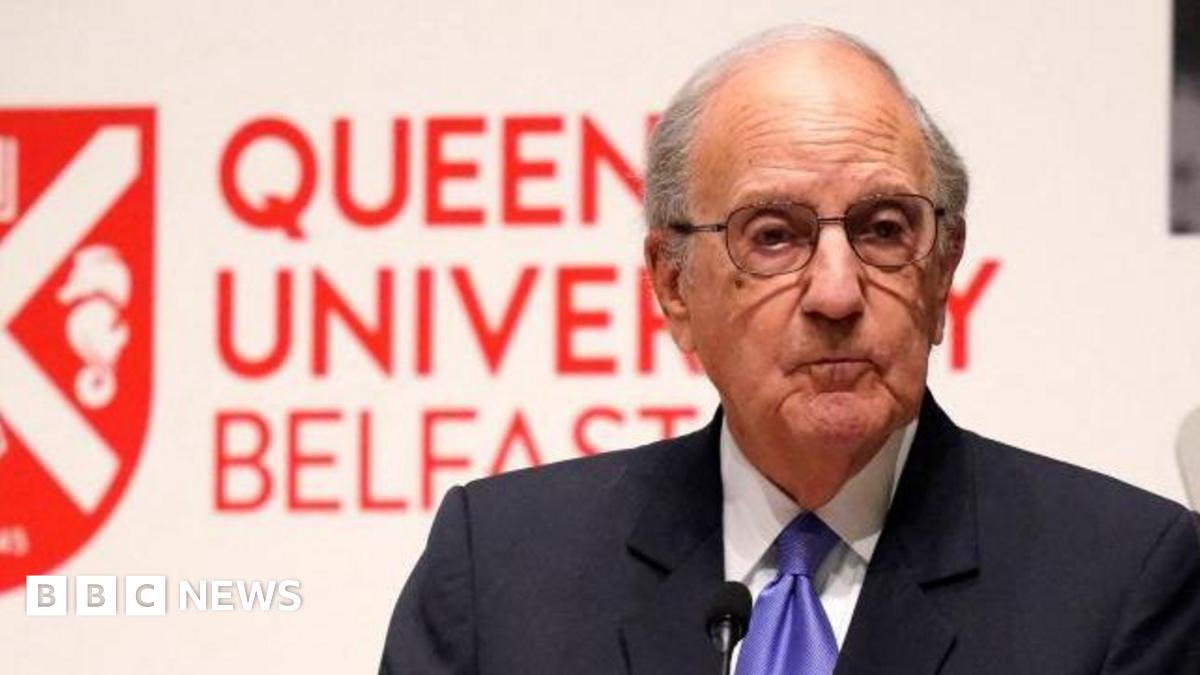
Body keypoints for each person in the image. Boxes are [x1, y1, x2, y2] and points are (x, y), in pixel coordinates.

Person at [380, 25, 1200, 674]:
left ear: (943, 269)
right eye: (773, 235)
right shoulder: (501, 570)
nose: (837, 292)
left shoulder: (1123, 583)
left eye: (885, 229)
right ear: (674, 284)